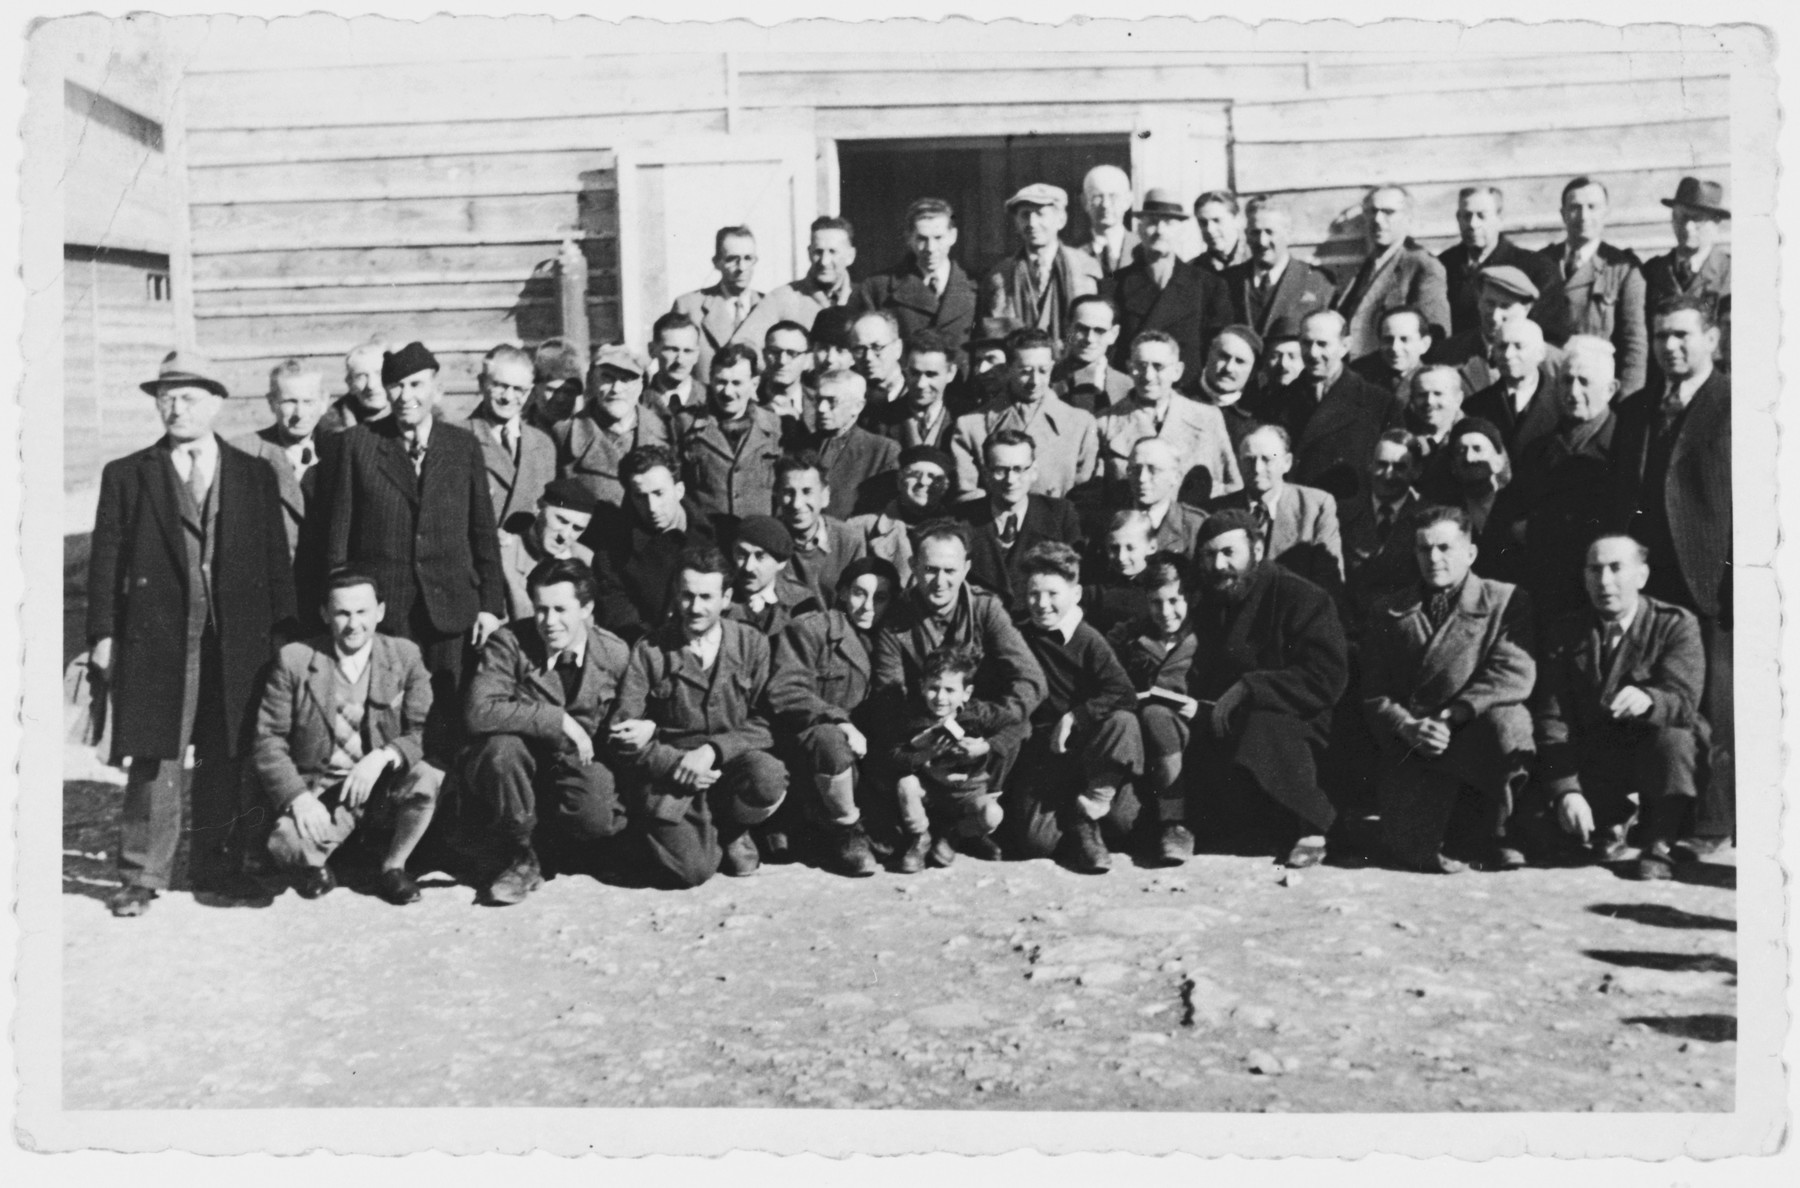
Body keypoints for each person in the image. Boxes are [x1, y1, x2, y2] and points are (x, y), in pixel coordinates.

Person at [88, 351, 297, 915]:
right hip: (157, 640)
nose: (176, 408)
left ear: (216, 403)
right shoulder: (128, 475)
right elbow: (105, 560)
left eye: (189, 397)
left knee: (224, 755)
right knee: (154, 755)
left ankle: (218, 866)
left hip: (236, 641)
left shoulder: (254, 473)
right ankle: (141, 874)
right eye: (166, 397)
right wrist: (103, 635)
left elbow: (276, 561)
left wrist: (282, 635)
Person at [325, 342, 505, 757]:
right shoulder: (357, 445)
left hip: (452, 612)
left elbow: (482, 533)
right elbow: (338, 539)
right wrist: (347, 610)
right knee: (389, 719)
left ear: (436, 389)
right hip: (389, 616)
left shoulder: (461, 446)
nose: (406, 396)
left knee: (450, 719)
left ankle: (447, 815)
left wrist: (489, 606)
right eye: (396, 386)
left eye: (416, 384)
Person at [1610, 295, 1732, 856]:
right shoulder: (1636, 411)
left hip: (1712, 580)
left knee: (1716, 706)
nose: (1670, 347)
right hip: (1651, 582)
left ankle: (1710, 824)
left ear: (1712, 338)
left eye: (1682, 335)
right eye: (1661, 337)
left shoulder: (1735, 403)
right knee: (1657, 696)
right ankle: (1660, 817)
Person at [1362, 505, 1536, 873]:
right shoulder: (1388, 610)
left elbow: (1512, 672)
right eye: (1424, 549)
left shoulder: (1505, 600)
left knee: (1510, 722)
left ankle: (1501, 830)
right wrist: (1406, 725)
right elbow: (1374, 690)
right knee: (1410, 848)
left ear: (1470, 553)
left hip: (1471, 733)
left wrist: (1452, 714)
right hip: (1416, 742)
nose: (1434, 558)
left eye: (1445, 548)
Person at [254, 569, 441, 905]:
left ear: (380, 612)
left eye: (362, 612)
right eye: (342, 613)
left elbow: (423, 730)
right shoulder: (295, 660)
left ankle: (393, 867)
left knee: (427, 780)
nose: (353, 624)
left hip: (382, 785)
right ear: (325, 614)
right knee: (285, 843)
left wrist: (383, 755)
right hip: (323, 790)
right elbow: (269, 741)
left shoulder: (404, 656)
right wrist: (299, 799)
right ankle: (319, 862)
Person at [612, 546, 790, 887]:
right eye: (687, 596)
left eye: (706, 597)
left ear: (726, 598)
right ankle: (694, 833)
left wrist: (713, 751)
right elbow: (622, 735)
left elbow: (767, 719)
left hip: (731, 763)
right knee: (692, 871)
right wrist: (674, 762)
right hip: (671, 775)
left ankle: (734, 827)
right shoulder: (650, 651)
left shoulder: (752, 644)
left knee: (769, 777)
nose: (695, 608)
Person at [458, 557, 632, 903]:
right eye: (540, 609)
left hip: (577, 762)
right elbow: (478, 711)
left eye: (560, 609)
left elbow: (623, 719)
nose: (549, 622)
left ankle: (561, 849)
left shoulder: (613, 652)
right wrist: (557, 719)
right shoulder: (509, 643)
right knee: (500, 750)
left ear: (586, 608)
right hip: (520, 765)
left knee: (596, 816)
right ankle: (519, 854)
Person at [1535, 535, 1706, 878]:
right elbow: (1552, 717)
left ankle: (1662, 840)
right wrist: (1565, 789)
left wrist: (1650, 701)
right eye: (1594, 570)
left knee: (1675, 739)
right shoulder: (1567, 631)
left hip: (1653, 752)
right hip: (1596, 758)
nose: (1604, 581)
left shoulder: (1674, 624)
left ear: (1641, 576)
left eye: (1616, 568)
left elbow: (1685, 703)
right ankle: (1610, 822)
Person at [1184, 510, 1348, 868]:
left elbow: (1325, 677)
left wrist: (1250, 686)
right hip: (1228, 715)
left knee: (1265, 726)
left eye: (1229, 552)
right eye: (1209, 555)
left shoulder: (1301, 596)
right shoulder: (1212, 599)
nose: (1219, 564)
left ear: (1256, 549)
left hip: (1301, 717)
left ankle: (1313, 826)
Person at [870, 520, 1049, 834]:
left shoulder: (985, 609)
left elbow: (1031, 680)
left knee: (1020, 723)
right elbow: (890, 693)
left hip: (975, 726)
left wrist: (985, 734)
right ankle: (925, 826)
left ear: (966, 568)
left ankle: (968, 824)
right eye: (930, 569)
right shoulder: (896, 620)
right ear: (912, 565)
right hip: (921, 727)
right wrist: (925, 748)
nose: (940, 582)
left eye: (950, 571)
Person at [997, 542, 1143, 873]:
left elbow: (1123, 692)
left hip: (1093, 752)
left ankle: (1090, 811)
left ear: (1075, 594)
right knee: (1037, 844)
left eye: (1053, 594)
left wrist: (1075, 717)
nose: (1042, 604)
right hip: (1047, 754)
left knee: (1123, 723)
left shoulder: (1087, 639)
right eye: (1034, 593)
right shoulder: (1019, 635)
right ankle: (1079, 825)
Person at [767, 556, 900, 877]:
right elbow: (785, 690)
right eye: (859, 593)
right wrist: (838, 719)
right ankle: (847, 831)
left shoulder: (891, 640)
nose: (868, 606)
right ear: (841, 592)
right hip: (812, 749)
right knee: (830, 738)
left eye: (880, 597)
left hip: (863, 760)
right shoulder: (812, 629)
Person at [887, 645, 1022, 873]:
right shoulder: (912, 716)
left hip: (967, 792)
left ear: (966, 693)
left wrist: (984, 747)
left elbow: (1016, 727)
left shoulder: (978, 713)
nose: (940, 698)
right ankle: (920, 838)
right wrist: (926, 754)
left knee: (992, 815)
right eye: (933, 688)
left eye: (950, 690)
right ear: (922, 687)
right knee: (905, 784)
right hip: (930, 792)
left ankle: (954, 834)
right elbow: (894, 756)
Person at [1513, 336, 1619, 622]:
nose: (1572, 391)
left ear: (1610, 389)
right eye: (1565, 381)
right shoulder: (1538, 450)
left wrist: (1540, 530)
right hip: (1545, 598)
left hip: (1601, 599)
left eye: (1584, 381)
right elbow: (1512, 525)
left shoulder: (1627, 448)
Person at [1106, 552, 1201, 865]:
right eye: (1156, 603)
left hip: (1190, 736)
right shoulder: (1131, 635)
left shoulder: (1205, 636)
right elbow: (1105, 672)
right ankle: (1157, 826)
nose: (1166, 612)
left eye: (1175, 600)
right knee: (1121, 825)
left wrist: (1199, 705)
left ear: (1192, 596)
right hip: (1143, 748)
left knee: (1157, 715)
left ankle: (1175, 823)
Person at [1255, 309, 1403, 499]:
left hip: (1350, 514)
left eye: (1323, 344)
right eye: (1306, 343)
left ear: (1345, 346)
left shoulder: (1380, 404)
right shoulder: (1277, 403)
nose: (1313, 353)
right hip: (1294, 510)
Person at [587, 444, 721, 642]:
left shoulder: (716, 534)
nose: (652, 507)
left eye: (659, 493)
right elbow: (621, 618)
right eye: (640, 496)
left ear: (679, 490)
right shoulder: (614, 553)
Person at [949, 327, 1099, 501]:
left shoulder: (1080, 424)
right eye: (1025, 372)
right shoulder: (972, 426)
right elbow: (968, 495)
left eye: (1043, 371)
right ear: (1008, 369)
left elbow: (1084, 494)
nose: (1035, 381)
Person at [1095, 330, 1242, 504]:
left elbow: (1233, 487)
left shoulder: (1208, 418)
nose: (1148, 376)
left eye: (1158, 367)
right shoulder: (1105, 424)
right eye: (1140, 366)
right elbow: (1096, 494)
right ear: (1129, 368)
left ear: (1177, 371)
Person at [1532, 175, 1648, 394]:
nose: (1584, 216)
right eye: (1575, 207)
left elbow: (1634, 345)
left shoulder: (1623, 268)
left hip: (1595, 389)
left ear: (1606, 213)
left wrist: (1629, 402)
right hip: (1546, 386)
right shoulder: (1541, 262)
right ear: (1563, 214)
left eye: (1592, 207)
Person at [1102, 188, 1232, 380]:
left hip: (1188, 397)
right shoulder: (1114, 285)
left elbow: (1217, 351)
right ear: (1139, 228)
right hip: (1133, 392)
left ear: (1181, 231)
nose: (1160, 231)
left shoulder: (1209, 286)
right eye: (1152, 222)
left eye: (1169, 223)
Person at [1212, 423, 1343, 594]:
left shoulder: (1316, 507)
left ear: (1287, 462)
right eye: (1249, 460)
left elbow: (1329, 583)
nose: (1257, 469)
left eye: (1267, 459)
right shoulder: (1218, 511)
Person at [960, 430, 1085, 608]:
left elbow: (1073, 582)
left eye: (1019, 469)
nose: (1011, 480)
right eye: (1000, 470)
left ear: (1034, 471)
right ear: (986, 473)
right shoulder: (961, 519)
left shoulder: (1060, 515)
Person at [229, 358, 330, 566]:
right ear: (271, 402)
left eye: (308, 401)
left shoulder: (341, 451)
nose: (300, 414)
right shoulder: (242, 453)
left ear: (324, 402)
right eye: (289, 402)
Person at [1333, 185, 1452, 358]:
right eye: (1372, 211)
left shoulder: (1423, 265)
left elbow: (1436, 337)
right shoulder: (1367, 264)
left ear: (1408, 217)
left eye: (1388, 212)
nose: (1378, 220)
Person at [980, 182, 1102, 346]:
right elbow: (996, 335)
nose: (1032, 223)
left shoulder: (1086, 267)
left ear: (1061, 220)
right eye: (1025, 215)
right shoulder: (1001, 274)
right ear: (1016, 222)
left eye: (1040, 214)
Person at [673, 342, 784, 521]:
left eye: (737, 383)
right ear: (710, 380)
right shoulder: (685, 424)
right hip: (707, 537)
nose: (728, 392)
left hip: (755, 541)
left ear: (754, 384)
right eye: (721, 382)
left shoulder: (773, 426)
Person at [850, 197, 979, 349]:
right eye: (922, 239)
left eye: (938, 238)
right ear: (908, 238)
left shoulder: (977, 286)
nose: (930, 248)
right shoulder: (878, 288)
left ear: (953, 236)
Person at [553, 343, 670, 508]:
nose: (616, 389)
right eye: (607, 377)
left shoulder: (665, 430)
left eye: (626, 379)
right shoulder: (564, 434)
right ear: (592, 380)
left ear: (641, 385)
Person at [1437, 186, 1559, 337]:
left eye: (1481, 216)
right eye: (1466, 216)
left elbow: (1547, 330)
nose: (1473, 224)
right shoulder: (1443, 265)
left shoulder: (1535, 267)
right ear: (1458, 218)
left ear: (1500, 218)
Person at [466, 344, 555, 546]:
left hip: (526, 565)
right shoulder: (457, 438)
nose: (508, 397)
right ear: (482, 383)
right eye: (500, 386)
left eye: (518, 389)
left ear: (530, 392)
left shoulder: (543, 445)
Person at [1341, 430, 1427, 632]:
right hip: (1348, 629)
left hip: (1403, 630)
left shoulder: (1428, 518)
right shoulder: (1339, 513)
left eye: (1400, 467)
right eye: (1381, 464)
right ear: (1369, 465)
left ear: (1416, 471)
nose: (1388, 474)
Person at [670, 225, 781, 380]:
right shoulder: (689, 306)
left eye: (748, 258)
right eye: (731, 259)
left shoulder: (771, 306)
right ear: (716, 262)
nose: (741, 267)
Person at [1429, 265, 1558, 397]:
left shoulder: (1553, 362)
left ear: (1526, 309)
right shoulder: (1448, 353)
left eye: (1505, 306)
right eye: (1490, 303)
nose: (1495, 316)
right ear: (1479, 302)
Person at [1641, 178, 1731, 368]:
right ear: (1672, 219)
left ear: (1716, 223)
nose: (1688, 228)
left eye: (1697, 219)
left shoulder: (1733, 274)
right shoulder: (1651, 272)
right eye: (1682, 218)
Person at [1225, 196, 1335, 339]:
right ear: (1246, 234)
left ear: (1287, 233)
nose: (1262, 242)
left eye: (1270, 232)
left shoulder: (1318, 282)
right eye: (1255, 232)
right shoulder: (1227, 281)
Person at [801, 368, 901, 519]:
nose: (822, 409)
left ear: (858, 406)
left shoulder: (882, 451)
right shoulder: (801, 445)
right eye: (819, 400)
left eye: (832, 401)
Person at [847, 443, 952, 588]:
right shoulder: (859, 528)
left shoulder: (959, 531)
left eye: (933, 477)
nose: (923, 482)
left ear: (945, 487)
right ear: (899, 481)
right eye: (914, 475)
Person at [497, 479, 597, 622]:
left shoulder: (585, 559)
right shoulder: (505, 554)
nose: (564, 535)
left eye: (577, 528)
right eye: (561, 520)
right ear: (538, 508)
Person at [775, 450, 868, 604]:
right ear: (777, 496)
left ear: (824, 496)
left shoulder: (849, 540)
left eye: (807, 492)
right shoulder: (767, 539)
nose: (797, 504)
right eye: (788, 492)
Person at [1464, 316, 1558, 460]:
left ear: (1540, 353)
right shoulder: (1475, 406)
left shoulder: (1561, 400)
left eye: (1518, 346)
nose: (1508, 355)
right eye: (1502, 346)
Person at [866, 329, 966, 452]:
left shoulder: (965, 418)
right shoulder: (880, 420)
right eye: (914, 373)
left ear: (951, 373)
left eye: (931, 374)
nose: (921, 384)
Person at [725, 515, 821, 636]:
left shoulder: (802, 603)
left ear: (781, 562)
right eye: (742, 555)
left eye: (760, 557)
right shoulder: (718, 600)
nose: (748, 567)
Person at [760, 215, 858, 330]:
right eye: (818, 252)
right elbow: (745, 341)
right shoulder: (782, 297)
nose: (824, 261)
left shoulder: (864, 298)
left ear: (850, 256)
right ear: (809, 253)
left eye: (832, 252)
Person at [1118, 437, 1209, 557]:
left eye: (1153, 470)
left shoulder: (1195, 526)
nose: (1142, 478)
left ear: (1175, 477)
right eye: (1136, 469)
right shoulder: (1109, 521)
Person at [1052, 294, 1133, 413]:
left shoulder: (1128, 387)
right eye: (1081, 329)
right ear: (1067, 328)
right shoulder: (1044, 379)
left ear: (1113, 334)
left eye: (1099, 330)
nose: (1089, 339)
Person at [1081, 509, 1155, 635]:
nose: (1121, 557)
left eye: (1130, 548)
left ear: (1151, 547)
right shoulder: (1094, 590)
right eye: (1114, 548)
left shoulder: (1157, 585)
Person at [1194, 325, 1264, 455]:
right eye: (1223, 356)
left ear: (1253, 371)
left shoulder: (1254, 422)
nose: (1229, 368)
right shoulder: (1177, 398)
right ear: (1209, 353)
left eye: (1240, 361)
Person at [1406, 364, 1469, 501]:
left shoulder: (1475, 437)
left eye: (1438, 394)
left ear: (1458, 399)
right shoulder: (1405, 439)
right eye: (1422, 395)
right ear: (1412, 401)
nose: (1429, 401)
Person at [1350, 306, 1434, 398]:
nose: (1395, 347)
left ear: (1424, 344)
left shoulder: (1435, 383)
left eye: (1404, 339)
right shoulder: (1358, 376)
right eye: (1388, 339)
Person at [1075, 163, 1139, 278]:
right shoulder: (1073, 253)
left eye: (1113, 196)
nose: (1105, 204)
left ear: (1128, 201)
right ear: (1084, 202)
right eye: (1097, 196)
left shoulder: (1143, 248)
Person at [318, 337, 392, 435]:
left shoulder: (408, 414)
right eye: (361, 376)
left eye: (379, 374)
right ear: (350, 383)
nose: (371, 385)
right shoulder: (332, 425)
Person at [643, 311, 706, 420]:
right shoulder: (638, 402)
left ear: (697, 355)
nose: (680, 360)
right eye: (672, 350)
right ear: (652, 350)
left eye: (688, 351)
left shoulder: (713, 399)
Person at [849, 308, 909, 411]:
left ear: (898, 348)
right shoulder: (847, 399)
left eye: (877, 347)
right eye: (859, 349)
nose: (868, 357)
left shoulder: (915, 394)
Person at [523, 338, 586, 432]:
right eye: (551, 390)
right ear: (534, 389)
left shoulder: (587, 436)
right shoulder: (517, 435)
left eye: (569, 392)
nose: (560, 399)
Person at [758, 320, 812, 420]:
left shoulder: (818, 403)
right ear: (764, 355)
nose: (782, 361)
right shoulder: (747, 400)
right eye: (775, 351)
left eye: (792, 353)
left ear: (807, 360)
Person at [1194, 190, 1250, 275]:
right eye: (1203, 223)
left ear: (1237, 220)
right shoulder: (1193, 270)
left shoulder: (1256, 261)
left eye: (1217, 220)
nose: (1209, 229)